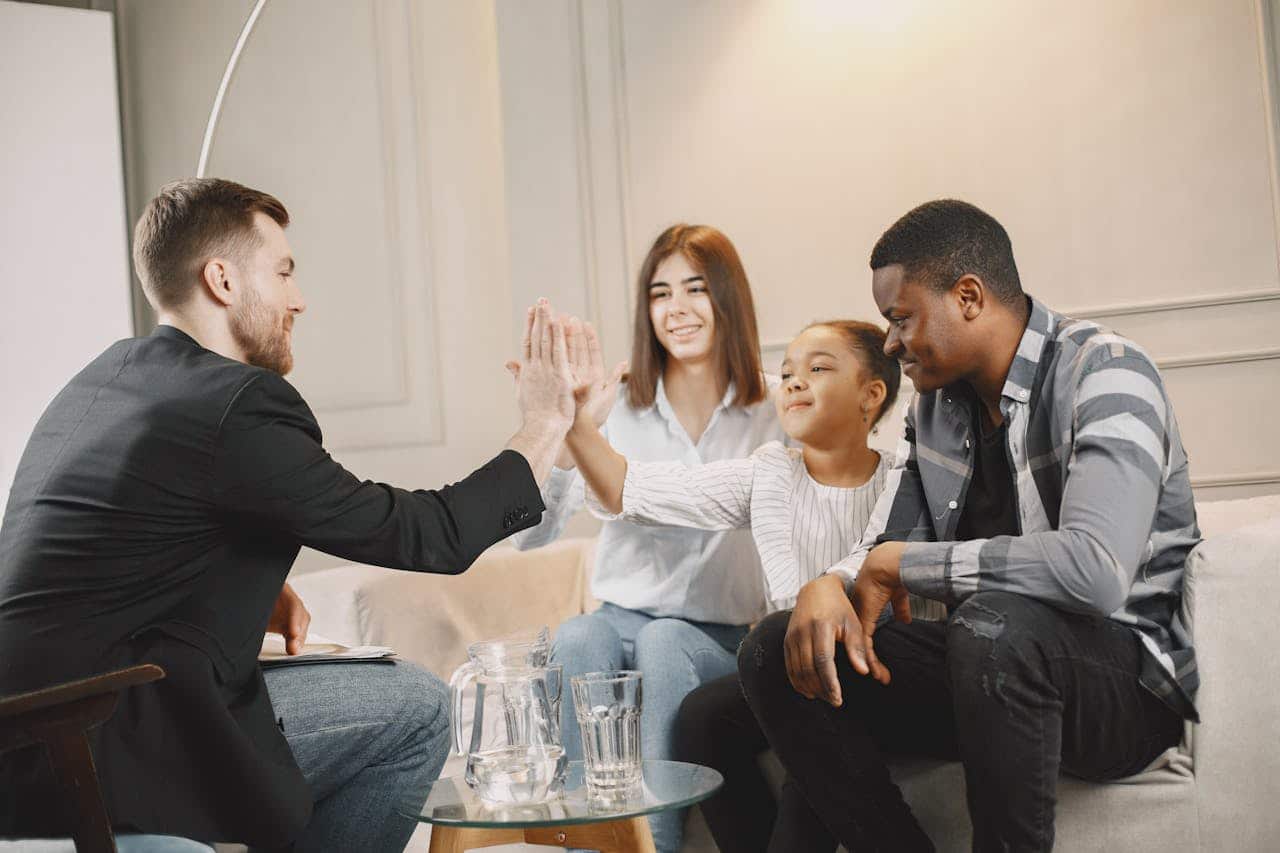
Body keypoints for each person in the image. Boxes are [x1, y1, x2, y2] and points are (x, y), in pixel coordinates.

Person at [0, 178, 577, 851]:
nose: (299, 298)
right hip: (100, 739)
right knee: (416, 708)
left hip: (27, 737)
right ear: (221, 279)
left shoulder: (107, 377)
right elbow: (432, 533)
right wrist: (543, 423)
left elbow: (110, 548)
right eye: (282, 272)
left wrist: (250, 584)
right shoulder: (235, 405)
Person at [738, 199, 1199, 853]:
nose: (890, 344)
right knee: (778, 646)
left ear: (970, 297)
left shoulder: (1107, 372)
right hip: (985, 669)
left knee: (996, 621)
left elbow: (1095, 568)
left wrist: (902, 564)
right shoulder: (935, 410)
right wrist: (828, 586)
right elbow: (888, 545)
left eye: (900, 319)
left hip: (1124, 688)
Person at [564, 317, 944, 852]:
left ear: (871, 394)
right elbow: (640, 491)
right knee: (701, 717)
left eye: (817, 369)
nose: (792, 381)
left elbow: (889, 566)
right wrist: (577, 424)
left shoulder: (903, 477)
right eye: (787, 371)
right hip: (788, 672)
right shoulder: (770, 473)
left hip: (877, 672)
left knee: (812, 744)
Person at [511, 224, 784, 852]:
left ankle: (653, 846)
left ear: (728, 300)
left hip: (716, 638)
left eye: (695, 289)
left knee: (664, 641)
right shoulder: (619, 406)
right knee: (578, 634)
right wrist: (560, 432)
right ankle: (581, 843)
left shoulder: (775, 406)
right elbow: (532, 540)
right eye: (660, 294)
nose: (677, 309)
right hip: (616, 620)